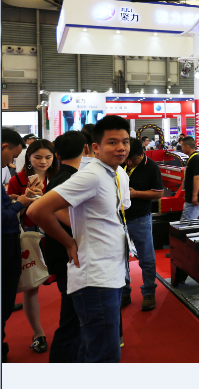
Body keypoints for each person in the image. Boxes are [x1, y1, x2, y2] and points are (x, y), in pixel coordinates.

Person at [27, 115, 131, 363]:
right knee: (103, 356)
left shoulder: (112, 173)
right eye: (112, 142)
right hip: (95, 278)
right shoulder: (91, 175)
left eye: (125, 142)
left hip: (110, 272)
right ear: (95, 147)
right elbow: (37, 210)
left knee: (93, 350)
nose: (121, 148)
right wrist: (68, 241)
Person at [7, 138, 59, 354]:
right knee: (32, 286)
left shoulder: (59, 177)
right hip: (30, 237)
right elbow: (10, 213)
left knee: (67, 283)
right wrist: (24, 199)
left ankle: (71, 331)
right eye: (38, 157)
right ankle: (38, 333)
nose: (43, 161)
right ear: (28, 158)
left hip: (57, 236)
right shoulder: (17, 180)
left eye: (48, 157)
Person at [44, 131, 86, 363]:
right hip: (69, 257)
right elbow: (48, 210)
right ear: (87, 150)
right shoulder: (71, 179)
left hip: (65, 255)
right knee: (72, 321)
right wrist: (80, 233)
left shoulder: (63, 176)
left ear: (57, 155)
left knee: (76, 319)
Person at [2, 128, 36, 363]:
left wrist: (11, 200)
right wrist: (21, 202)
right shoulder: (15, 178)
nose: (11, 162)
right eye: (12, 156)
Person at [121, 138, 163, 311]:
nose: (129, 163)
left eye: (134, 159)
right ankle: (124, 292)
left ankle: (148, 292)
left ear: (142, 153)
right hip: (119, 219)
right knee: (120, 259)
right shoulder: (120, 163)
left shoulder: (151, 167)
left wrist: (135, 193)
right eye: (127, 159)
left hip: (140, 218)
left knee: (146, 258)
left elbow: (158, 193)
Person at [180, 136, 199, 222]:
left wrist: (194, 195)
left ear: (187, 146)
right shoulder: (193, 158)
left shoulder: (195, 159)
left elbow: (197, 178)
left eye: (182, 146)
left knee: (186, 224)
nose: (182, 149)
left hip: (195, 199)